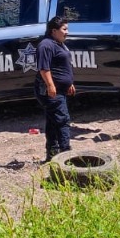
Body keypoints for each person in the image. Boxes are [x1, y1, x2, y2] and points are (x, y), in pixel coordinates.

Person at [35, 15, 76, 161]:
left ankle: (52, 156)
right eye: (64, 29)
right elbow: (44, 68)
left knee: (53, 122)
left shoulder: (57, 43)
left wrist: (68, 83)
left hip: (59, 89)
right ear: (54, 30)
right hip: (51, 91)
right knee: (62, 120)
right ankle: (67, 155)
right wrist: (51, 86)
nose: (67, 32)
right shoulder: (46, 45)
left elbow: (61, 66)